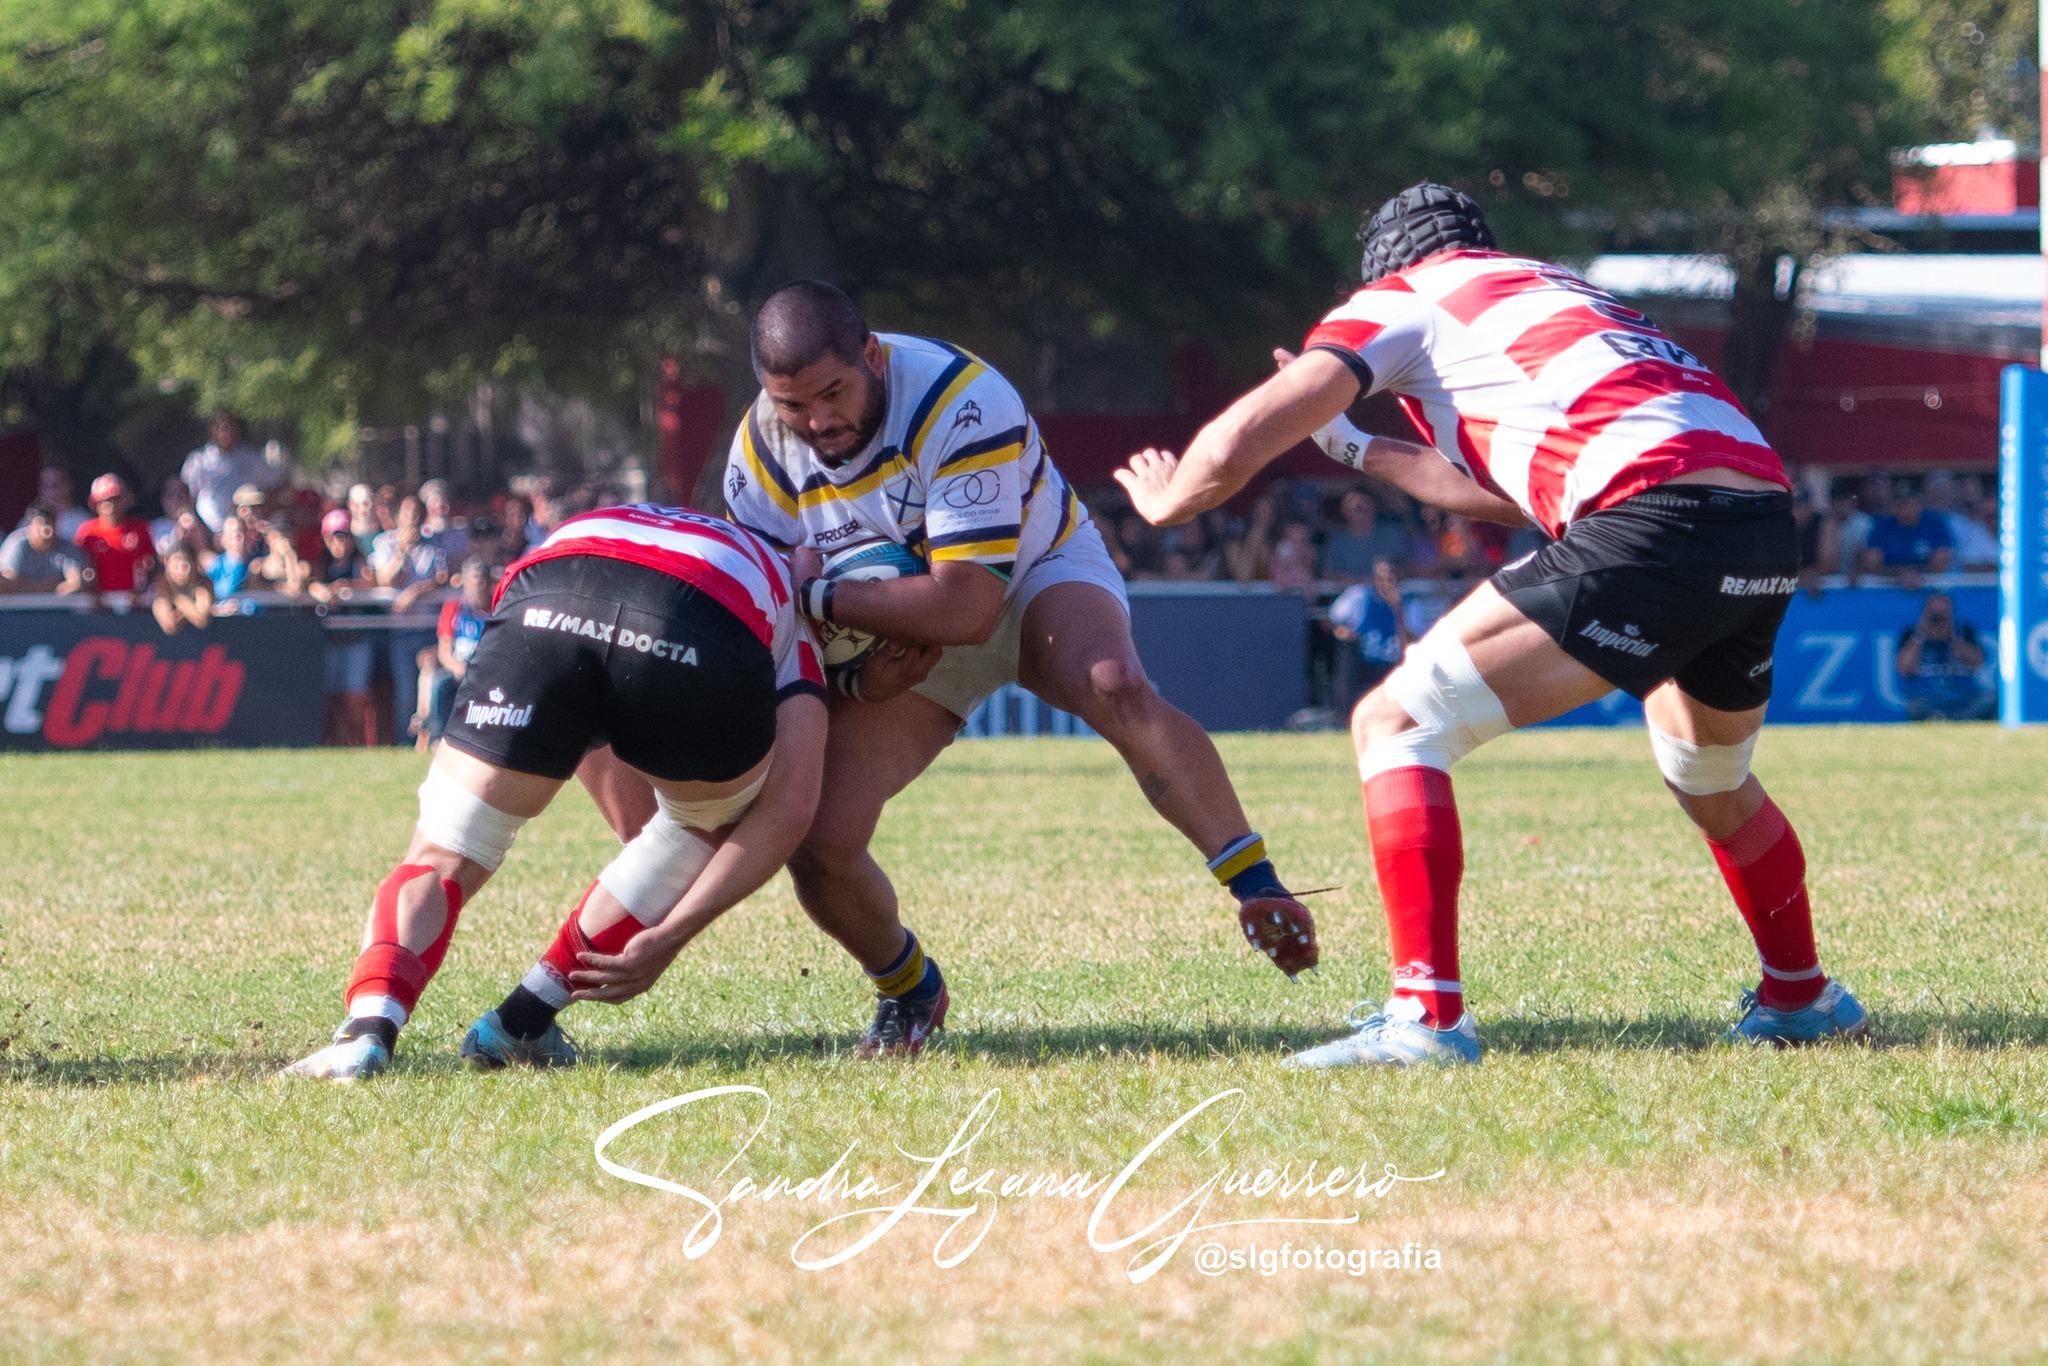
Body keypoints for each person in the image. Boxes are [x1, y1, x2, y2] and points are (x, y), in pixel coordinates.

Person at [1117, 181, 1868, 1066]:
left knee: (1394, 723)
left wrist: (1175, 497)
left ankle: (1426, 1021)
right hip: (1759, 525)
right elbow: (1509, 492)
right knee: (1712, 781)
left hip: (1655, 521)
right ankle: (1802, 996)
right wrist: (1354, 447)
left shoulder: (1401, 296)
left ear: (1387, 265)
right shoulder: (1556, 294)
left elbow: (1252, 426)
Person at [581, 280, 1319, 1059]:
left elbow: (966, 608)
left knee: (1113, 682)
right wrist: (862, 681)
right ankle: (908, 988)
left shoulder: (959, 400)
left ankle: (1257, 885)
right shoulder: (760, 447)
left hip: (1029, 570)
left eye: (833, 393)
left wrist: (821, 592)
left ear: (872, 355)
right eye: (794, 405)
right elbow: (772, 614)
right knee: (820, 842)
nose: (818, 421)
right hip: (895, 620)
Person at [283, 503, 829, 1082]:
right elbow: (789, 809)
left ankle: (365, 1032)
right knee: (702, 826)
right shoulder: (794, 593)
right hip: (699, 617)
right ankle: (523, 1021)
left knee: (446, 846)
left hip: (552, 584)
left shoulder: (654, 518)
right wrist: (672, 935)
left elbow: (588, 697)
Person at [311, 508, 377, 745]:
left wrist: (347, 585)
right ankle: (333, 742)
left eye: (345, 536)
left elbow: (372, 582)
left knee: (355, 698)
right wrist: (323, 591)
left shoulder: (359, 564)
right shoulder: (321, 566)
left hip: (356, 640)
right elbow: (312, 584)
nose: (340, 542)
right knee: (330, 696)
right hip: (330, 641)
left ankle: (356, 743)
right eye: (335, 536)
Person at [418, 555, 493, 747]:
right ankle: (437, 738)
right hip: (459, 667)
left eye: (482, 581)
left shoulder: (496, 610)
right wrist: (458, 668)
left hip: (487, 668)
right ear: (464, 583)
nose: (478, 587)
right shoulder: (454, 608)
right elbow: (444, 649)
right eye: (473, 581)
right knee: (439, 683)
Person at [1328, 558, 1411, 710]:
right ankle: (1344, 712)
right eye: (1382, 578)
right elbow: (1332, 624)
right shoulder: (1359, 596)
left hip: (1392, 662)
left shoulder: (1409, 602)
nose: (1386, 582)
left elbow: (1412, 640)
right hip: (1363, 658)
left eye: (1391, 578)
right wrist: (1345, 633)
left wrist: (1398, 611)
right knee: (1347, 654)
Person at [1896, 592, 1994, 720]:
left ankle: (1955, 719)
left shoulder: (1964, 631)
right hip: (1928, 698)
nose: (1938, 620)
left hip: (1965, 697)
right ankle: (1944, 719)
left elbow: (1978, 663)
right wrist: (1920, 635)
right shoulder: (1911, 634)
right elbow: (1904, 668)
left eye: (1943, 614)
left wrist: (1953, 637)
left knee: (1991, 698)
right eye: (1934, 615)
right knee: (1915, 706)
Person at [181, 412, 278, 534]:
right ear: (213, 430)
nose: (227, 433)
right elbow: (186, 494)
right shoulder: (199, 460)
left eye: (231, 428)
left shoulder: (250, 458)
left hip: (246, 531)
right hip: (210, 530)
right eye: (222, 429)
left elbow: (276, 483)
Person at [1861, 479, 1953, 585]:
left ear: (1920, 503)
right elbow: (1872, 563)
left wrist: (1915, 574)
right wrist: (1902, 574)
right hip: (1889, 585)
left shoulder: (1935, 522)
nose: (1908, 508)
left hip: (1930, 585)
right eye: (1903, 503)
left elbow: (1940, 563)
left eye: (1913, 503)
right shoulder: (1882, 525)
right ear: (1895, 506)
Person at [75, 474, 156, 594]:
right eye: (104, 500)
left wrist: (143, 591)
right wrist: (91, 591)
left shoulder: (140, 528)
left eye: (115, 499)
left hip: (135, 604)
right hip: (100, 605)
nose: (110, 505)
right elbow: (81, 567)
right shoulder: (87, 531)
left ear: (126, 499)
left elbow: (152, 565)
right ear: (95, 504)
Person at [1321, 489, 1408, 582]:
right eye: (1358, 508)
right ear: (1345, 511)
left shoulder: (1392, 535)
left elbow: (1405, 569)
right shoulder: (1336, 542)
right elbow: (1328, 575)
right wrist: (1356, 583)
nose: (1365, 512)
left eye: (1368, 507)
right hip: (1347, 595)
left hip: (1385, 594)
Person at [0, 504, 90, 593]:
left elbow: (76, 584)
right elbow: (8, 585)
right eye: (40, 522)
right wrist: (55, 586)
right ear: (29, 525)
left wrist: (27, 586)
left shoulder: (67, 547)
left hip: (58, 606)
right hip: (18, 606)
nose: (46, 528)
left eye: (51, 522)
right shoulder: (18, 545)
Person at [149, 541, 215, 634]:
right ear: (167, 561)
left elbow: (203, 619)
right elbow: (169, 625)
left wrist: (178, 601)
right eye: (177, 561)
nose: (182, 568)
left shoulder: (203, 584)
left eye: (186, 561)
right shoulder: (162, 583)